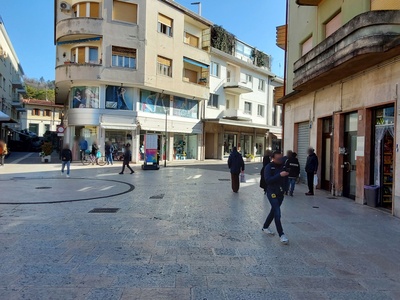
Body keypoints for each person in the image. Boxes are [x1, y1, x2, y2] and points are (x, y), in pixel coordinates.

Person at [262, 151, 290, 245]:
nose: (280, 160)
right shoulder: (269, 167)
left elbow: (286, 179)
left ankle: (265, 226)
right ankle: (282, 235)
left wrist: (286, 189)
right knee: (277, 213)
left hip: (281, 193)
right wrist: (279, 175)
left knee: (273, 211)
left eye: (281, 158)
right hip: (272, 192)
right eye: (278, 159)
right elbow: (268, 180)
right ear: (273, 158)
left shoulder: (283, 166)